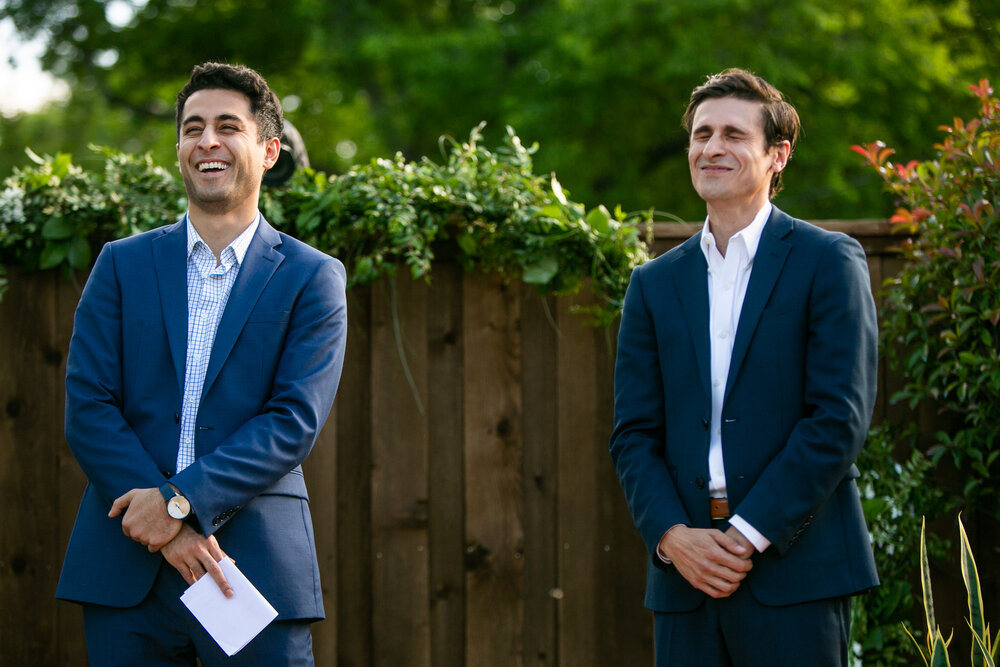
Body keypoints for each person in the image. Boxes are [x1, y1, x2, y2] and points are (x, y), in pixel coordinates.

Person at [55, 62, 347, 666]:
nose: (207, 141)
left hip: (253, 569)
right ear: (180, 151)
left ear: (268, 151)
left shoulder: (312, 277)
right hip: (125, 565)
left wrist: (177, 504)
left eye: (227, 127)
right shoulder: (120, 265)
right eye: (193, 129)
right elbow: (88, 405)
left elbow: (292, 421)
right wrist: (160, 522)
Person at [609, 68, 879, 666]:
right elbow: (633, 434)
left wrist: (745, 534)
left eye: (733, 134)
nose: (712, 147)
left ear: (777, 155)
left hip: (795, 571)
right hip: (685, 577)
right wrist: (673, 538)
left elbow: (838, 418)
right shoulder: (652, 283)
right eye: (701, 134)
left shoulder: (827, 261)